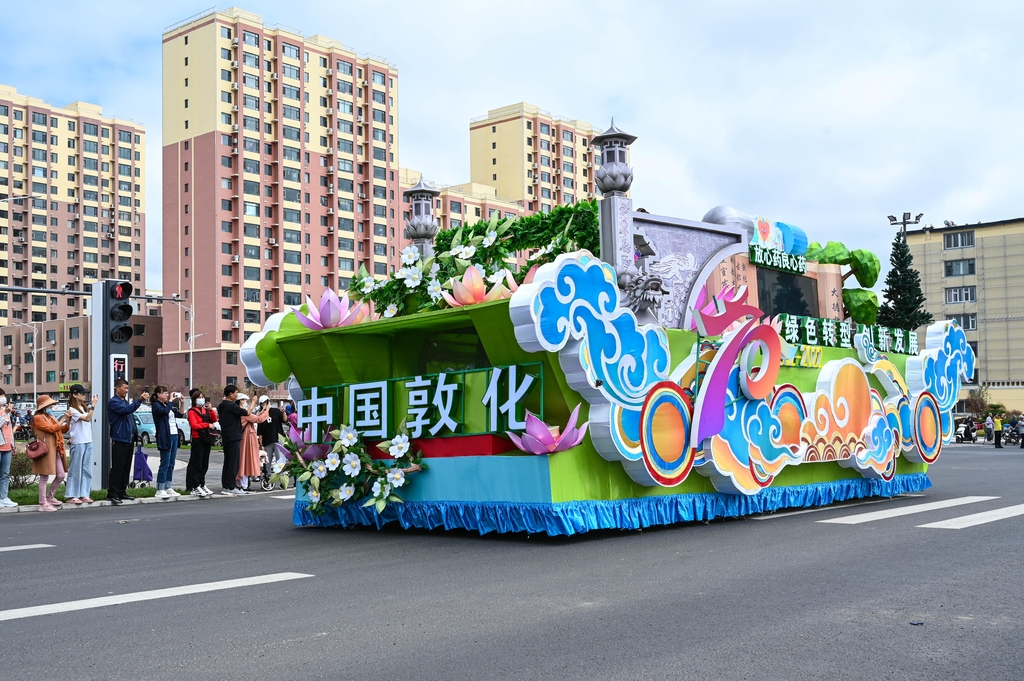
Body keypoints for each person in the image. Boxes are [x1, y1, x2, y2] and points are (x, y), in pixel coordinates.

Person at [107, 380, 149, 506]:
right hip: (119, 438)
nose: (126, 390)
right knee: (118, 467)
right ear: (117, 388)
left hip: (128, 438)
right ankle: (112, 493)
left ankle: (122, 491)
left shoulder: (124, 401)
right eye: (124, 388)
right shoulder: (114, 402)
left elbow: (129, 412)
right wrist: (139, 400)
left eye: (127, 388)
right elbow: (126, 410)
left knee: (126, 467)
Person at [31, 395, 72, 512]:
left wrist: (68, 419)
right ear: (43, 406)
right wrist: (63, 418)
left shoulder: (49, 416)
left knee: (61, 475)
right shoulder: (38, 418)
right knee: (44, 477)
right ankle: (43, 503)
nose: (51, 406)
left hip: (56, 449)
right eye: (49, 405)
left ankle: (50, 496)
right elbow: (52, 429)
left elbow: (62, 429)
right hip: (46, 450)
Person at [64, 385, 98, 505]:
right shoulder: (72, 410)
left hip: (87, 441)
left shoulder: (82, 407)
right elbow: (87, 419)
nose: (84, 395)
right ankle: (71, 495)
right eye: (82, 393)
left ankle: (84, 494)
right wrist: (93, 405)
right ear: (74, 394)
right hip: (78, 442)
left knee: (86, 469)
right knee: (75, 470)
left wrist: (90, 406)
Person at [151, 386, 185, 499]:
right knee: (165, 462)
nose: (167, 395)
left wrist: (182, 403)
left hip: (174, 434)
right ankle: (160, 488)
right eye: (164, 393)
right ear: (158, 394)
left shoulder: (168, 405)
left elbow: (179, 414)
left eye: (167, 393)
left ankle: (168, 486)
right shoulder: (156, 405)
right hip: (165, 436)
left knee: (171, 463)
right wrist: (170, 401)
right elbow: (164, 412)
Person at [218, 384, 251, 495]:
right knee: (233, 462)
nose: (237, 395)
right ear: (231, 394)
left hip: (227, 435)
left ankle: (226, 485)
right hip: (233, 436)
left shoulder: (222, 405)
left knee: (228, 461)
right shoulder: (231, 406)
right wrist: (254, 402)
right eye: (236, 393)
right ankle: (231, 486)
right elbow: (246, 413)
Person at [185, 389, 218, 497]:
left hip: (207, 438)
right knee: (197, 462)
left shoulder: (206, 410)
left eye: (202, 397)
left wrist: (211, 409)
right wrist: (206, 425)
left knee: (204, 463)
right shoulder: (191, 411)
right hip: (197, 438)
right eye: (199, 397)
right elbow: (194, 425)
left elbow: (214, 419)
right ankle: (195, 485)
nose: (201, 399)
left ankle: (202, 483)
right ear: (194, 399)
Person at [237, 393, 269, 492]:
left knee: (244, 461)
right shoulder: (243, 412)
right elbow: (258, 419)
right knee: (246, 461)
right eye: (245, 401)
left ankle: (243, 484)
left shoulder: (242, 412)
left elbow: (254, 416)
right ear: (241, 401)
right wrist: (267, 410)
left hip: (246, 439)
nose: (247, 403)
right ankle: (244, 485)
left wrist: (263, 411)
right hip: (247, 440)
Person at [257, 396, 286, 465]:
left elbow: (284, 420)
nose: (264, 404)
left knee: (280, 460)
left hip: (278, 439)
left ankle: (281, 474)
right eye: (262, 403)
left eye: (265, 402)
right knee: (268, 461)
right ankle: (268, 474)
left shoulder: (276, 411)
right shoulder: (260, 415)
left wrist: (283, 412)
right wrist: (261, 444)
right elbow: (260, 432)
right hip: (267, 441)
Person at [0, 389, 16, 507]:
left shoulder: (6, 411)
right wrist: (5, 412)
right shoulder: (5, 411)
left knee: (5, 474)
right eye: (1, 396)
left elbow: (9, 429)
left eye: (3, 396)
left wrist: (13, 444)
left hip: (7, 447)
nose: (3, 398)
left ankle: (3, 497)